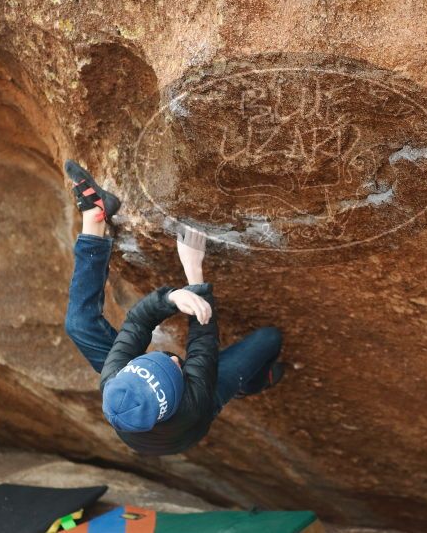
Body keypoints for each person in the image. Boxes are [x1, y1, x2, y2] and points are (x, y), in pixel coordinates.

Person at [62, 160, 285, 455]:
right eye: (176, 370)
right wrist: (194, 271)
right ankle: (251, 384)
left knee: (78, 324)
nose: (176, 360)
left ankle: (96, 215)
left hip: (141, 400)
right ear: (181, 390)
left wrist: (170, 299)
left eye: (160, 359)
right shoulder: (194, 402)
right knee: (269, 339)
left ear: (128, 369)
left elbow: (137, 325)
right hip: (196, 413)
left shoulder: (116, 383)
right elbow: (202, 342)